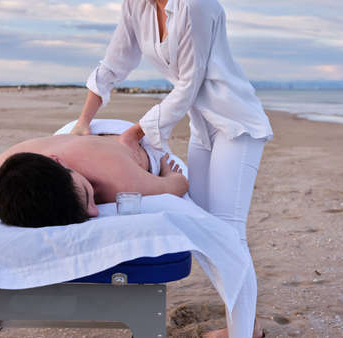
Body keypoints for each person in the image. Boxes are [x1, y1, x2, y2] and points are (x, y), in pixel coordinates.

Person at [70, 0, 273, 336]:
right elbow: (114, 63)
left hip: (236, 124)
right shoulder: (136, 6)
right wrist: (83, 121)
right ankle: (245, 325)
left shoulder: (197, 6)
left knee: (228, 232)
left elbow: (189, 85)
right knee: (205, 231)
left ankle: (242, 332)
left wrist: (134, 133)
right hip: (202, 128)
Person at [0, 124, 188, 227]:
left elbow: (178, 184)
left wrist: (167, 170)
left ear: (59, 162)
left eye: (90, 193)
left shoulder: (123, 180)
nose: (95, 212)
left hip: (113, 131)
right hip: (68, 134)